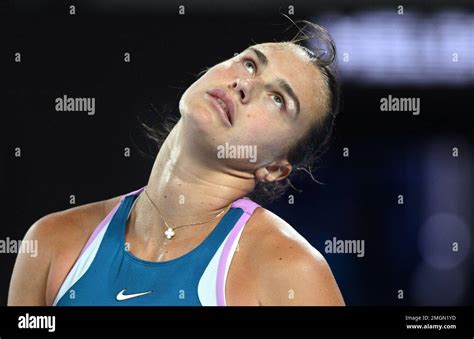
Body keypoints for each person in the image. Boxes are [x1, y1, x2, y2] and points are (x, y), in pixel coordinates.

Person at [8, 21, 345, 306]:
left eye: (277, 99)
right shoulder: (53, 241)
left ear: (274, 168)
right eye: (250, 63)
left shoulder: (291, 271)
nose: (245, 85)